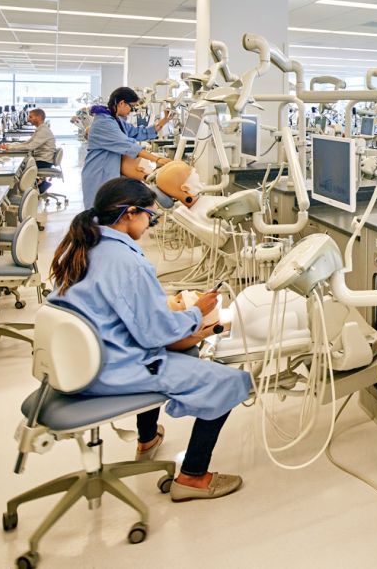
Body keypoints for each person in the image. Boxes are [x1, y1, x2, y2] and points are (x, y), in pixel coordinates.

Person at [48, 177, 251, 502]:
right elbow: (156, 334)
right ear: (130, 213)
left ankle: (148, 438)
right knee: (232, 381)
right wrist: (198, 313)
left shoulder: (90, 244)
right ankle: (193, 477)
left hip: (84, 360)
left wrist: (181, 319)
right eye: (150, 216)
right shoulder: (128, 263)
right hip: (112, 369)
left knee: (187, 351)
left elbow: (135, 317)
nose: (150, 224)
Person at [81, 86, 173, 207]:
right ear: (122, 103)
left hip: (110, 172)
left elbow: (138, 132)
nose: (132, 110)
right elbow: (128, 146)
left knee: (111, 211)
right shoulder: (103, 123)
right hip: (99, 173)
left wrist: (164, 121)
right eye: (132, 106)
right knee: (98, 212)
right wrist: (157, 159)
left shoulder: (116, 121)